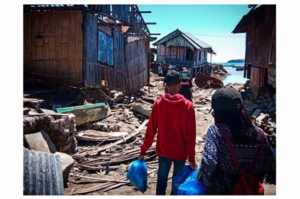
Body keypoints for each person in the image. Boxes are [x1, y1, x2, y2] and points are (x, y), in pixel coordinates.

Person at [197, 88, 275, 195]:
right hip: (252, 191)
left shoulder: (215, 132)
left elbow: (208, 164)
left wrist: (206, 186)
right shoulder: (259, 134)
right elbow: (271, 164)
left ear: (218, 112)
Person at [139, 71, 196, 195]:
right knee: (177, 182)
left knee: (161, 180)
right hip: (180, 153)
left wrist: (143, 150)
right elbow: (190, 135)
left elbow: (151, 130)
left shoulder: (158, 105)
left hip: (164, 151)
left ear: (166, 86)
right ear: (180, 85)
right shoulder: (188, 106)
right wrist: (191, 158)